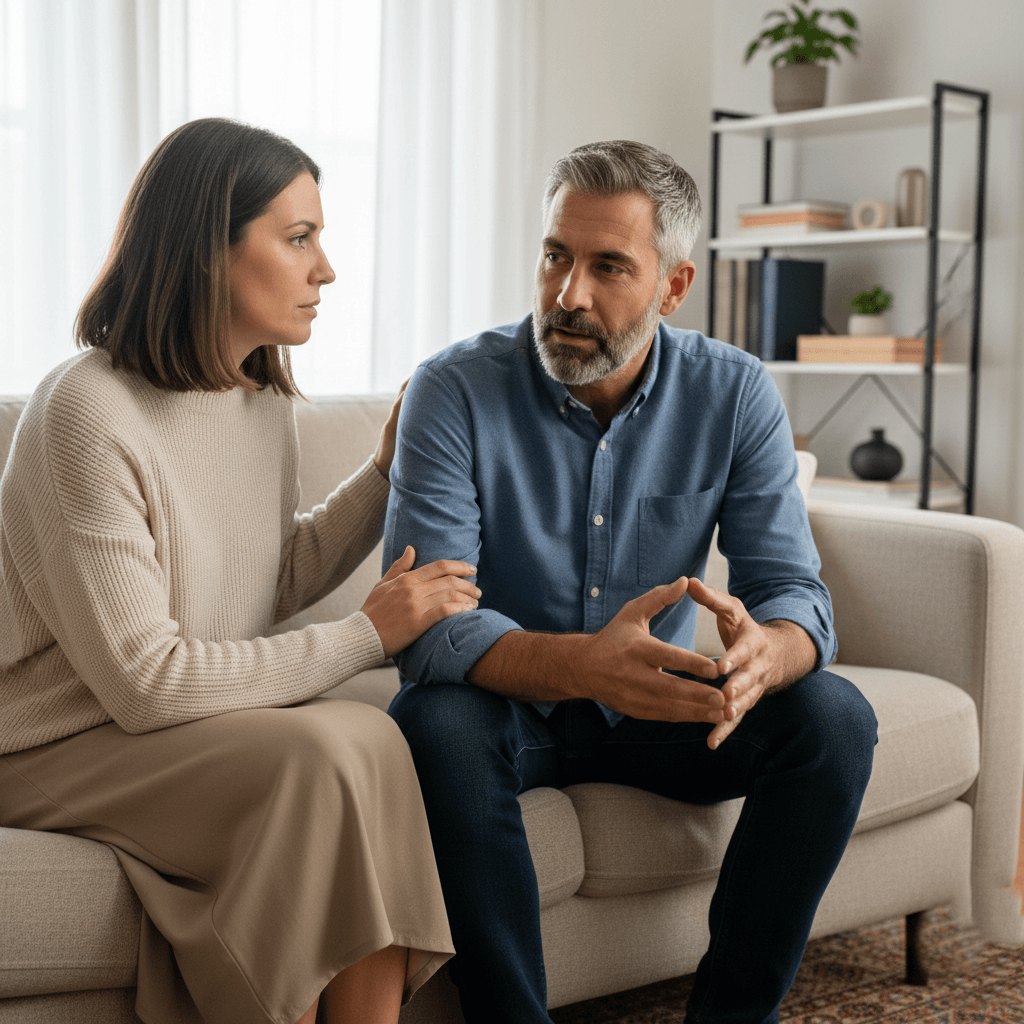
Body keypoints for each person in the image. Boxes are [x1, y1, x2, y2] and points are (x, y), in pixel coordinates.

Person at [383, 140, 878, 1024]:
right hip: (513, 707)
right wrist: (582, 666)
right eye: (555, 256)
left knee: (835, 718)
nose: (568, 294)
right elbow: (431, 631)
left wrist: (771, 653)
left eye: (608, 266)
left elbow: (796, 593)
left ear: (673, 287)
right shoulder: (452, 390)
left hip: (663, 712)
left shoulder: (735, 394)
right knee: (432, 723)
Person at [0, 118, 482, 1024]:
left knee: (373, 739)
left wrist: (386, 471)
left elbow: (268, 575)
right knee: (317, 753)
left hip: (164, 731)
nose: (326, 268)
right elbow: (145, 683)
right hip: (47, 744)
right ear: (206, 250)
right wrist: (366, 634)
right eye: (298, 238)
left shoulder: (256, 398)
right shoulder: (84, 413)